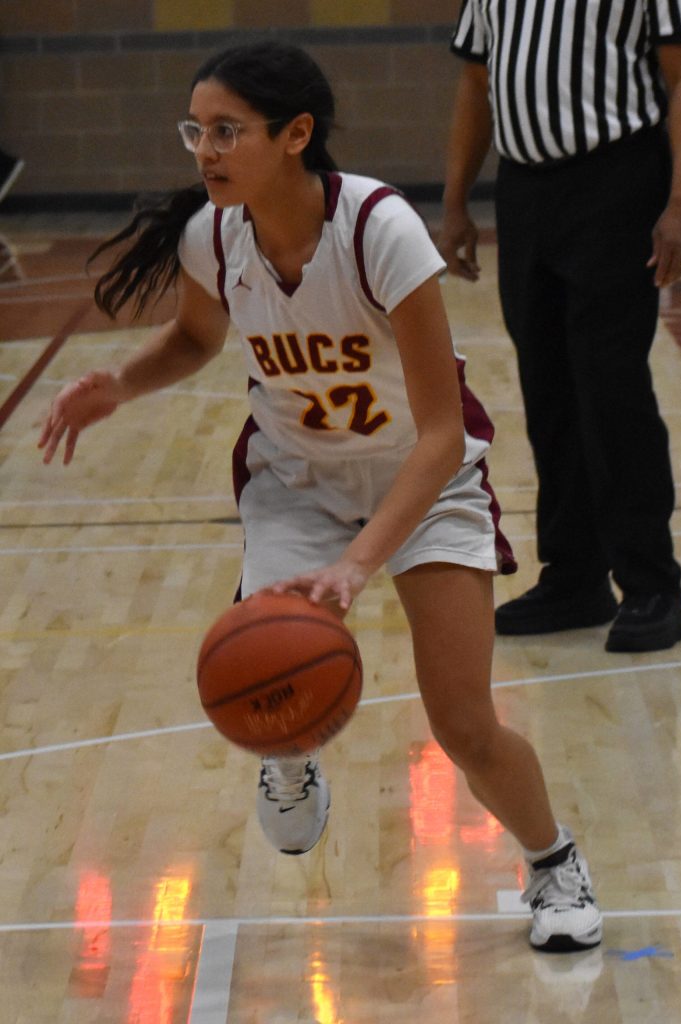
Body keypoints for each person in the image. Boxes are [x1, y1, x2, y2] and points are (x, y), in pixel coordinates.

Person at [38, 41, 602, 952]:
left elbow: (440, 433)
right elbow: (196, 338)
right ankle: (289, 759)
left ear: (296, 134)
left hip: (424, 481)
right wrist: (123, 385)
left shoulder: (380, 230)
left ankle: (554, 862)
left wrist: (357, 565)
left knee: (464, 724)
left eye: (228, 131)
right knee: (273, 678)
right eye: (196, 131)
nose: (206, 150)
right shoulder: (213, 235)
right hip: (295, 481)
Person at [439, 0, 681, 653]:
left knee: (611, 386)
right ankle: (575, 577)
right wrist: (455, 200)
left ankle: (652, 585)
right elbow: (475, 81)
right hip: (524, 191)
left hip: (617, 179)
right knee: (548, 387)